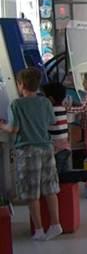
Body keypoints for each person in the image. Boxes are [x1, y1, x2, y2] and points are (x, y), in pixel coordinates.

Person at [0, 68, 62, 241]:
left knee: (31, 192)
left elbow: (14, 128)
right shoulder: (45, 102)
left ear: (21, 85)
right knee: (50, 188)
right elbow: (51, 121)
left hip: (27, 151)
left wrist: (2, 125)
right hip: (46, 148)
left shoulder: (16, 104)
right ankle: (56, 224)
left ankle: (39, 230)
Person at [42, 82, 70, 175]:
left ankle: (85, 176)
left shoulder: (50, 110)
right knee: (64, 176)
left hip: (57, 150)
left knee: (56, 176)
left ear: (50, 99)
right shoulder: (62, 108)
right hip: (65, 147)